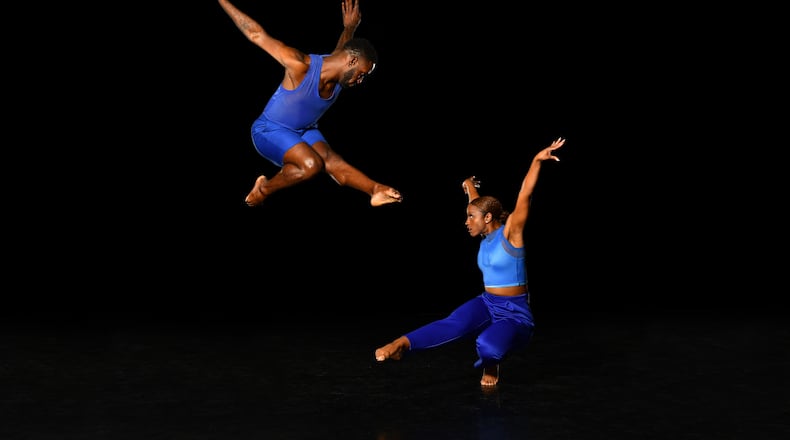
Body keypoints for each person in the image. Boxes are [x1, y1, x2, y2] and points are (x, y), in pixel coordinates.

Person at [374, 137, 566, 387]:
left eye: (470, 218)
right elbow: (474, 203)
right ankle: (402, 344)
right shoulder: (484, 231)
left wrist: (536, 161)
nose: (466, 222)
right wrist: (468, 185)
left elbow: (525, 195)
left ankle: (490, 364)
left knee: (487, 345)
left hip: (515, 314)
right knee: (453, 323)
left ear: (488, 218)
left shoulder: (511, 234)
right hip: (488, 302)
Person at [218, 0, 403, 207]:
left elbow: (343, 48)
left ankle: (375, 189)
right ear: (351, 62)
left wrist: (350, 27)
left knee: (332, 162)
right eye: (362, 74)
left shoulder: (340, 73)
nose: (360, 81)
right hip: (268, 130)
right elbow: (256, 34)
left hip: (304, 130)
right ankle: (262, 191)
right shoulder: (301, 66)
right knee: (310, 164)